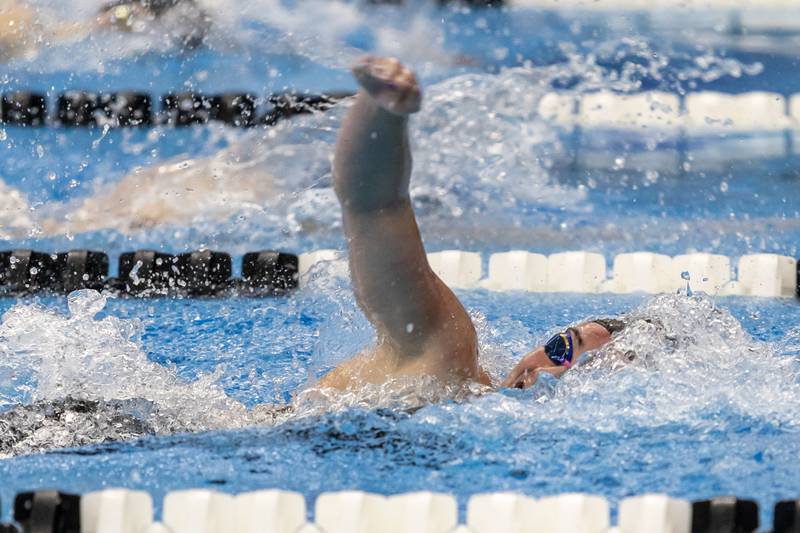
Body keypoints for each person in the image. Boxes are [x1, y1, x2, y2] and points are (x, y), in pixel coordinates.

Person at [317, 55, 623, 392]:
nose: (542, 364)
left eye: (564, 361)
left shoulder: (458, 385)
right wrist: (382, 111)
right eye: (559, 346)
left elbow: (373, 207)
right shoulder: (451, 357)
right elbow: (373, 206)